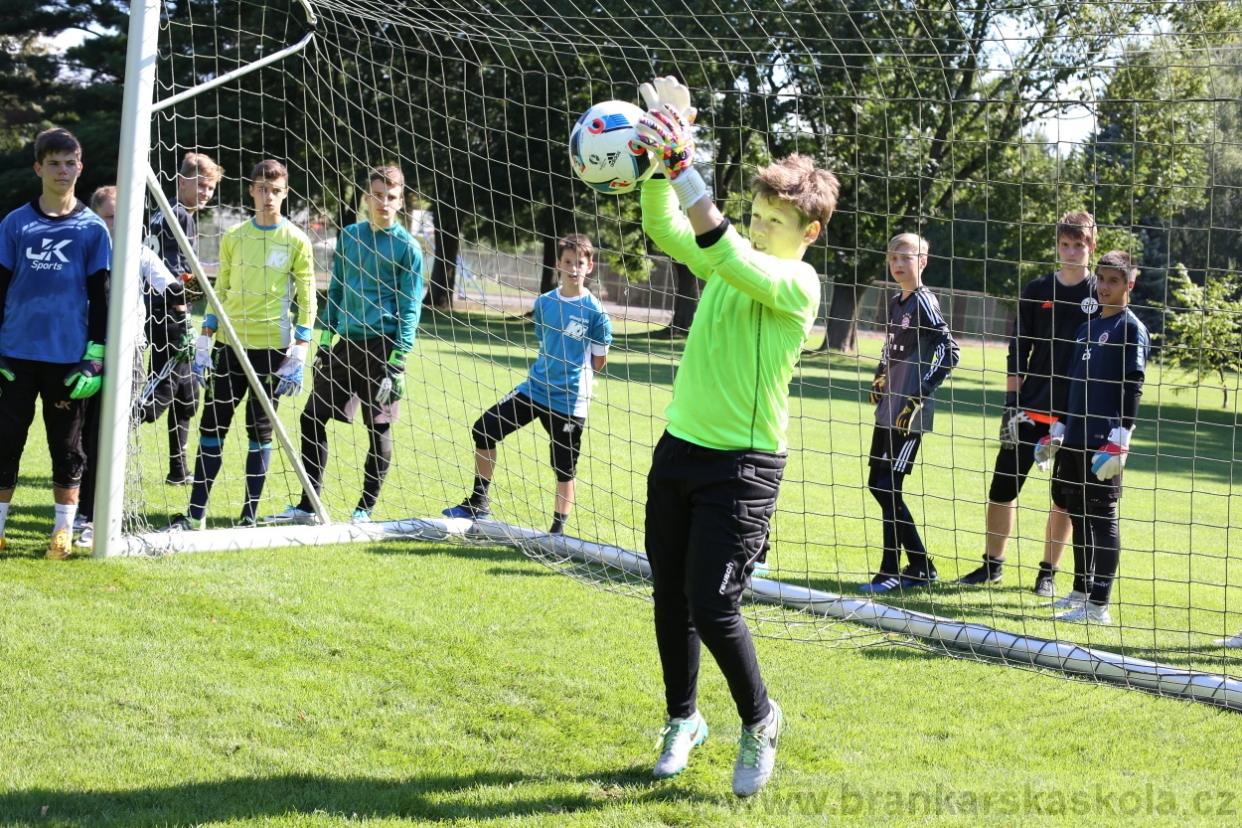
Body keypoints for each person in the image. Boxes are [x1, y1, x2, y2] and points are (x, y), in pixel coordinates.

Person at [633, 77, 837, 797]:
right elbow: (666, 227)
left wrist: (684, 158)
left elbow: (718, 244)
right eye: (754, 216)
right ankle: (682, 720)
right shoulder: (731, 259)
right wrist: (659, 162)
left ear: (809, 233)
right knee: (669, 596)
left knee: (714, 603)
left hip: (743, 469)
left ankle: (759, 718)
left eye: (774, 222)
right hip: (679, 449)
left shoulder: (796, 286)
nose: (757, 229)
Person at [263, 166, 423, 525]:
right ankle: (308, 506)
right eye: (378, 195)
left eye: (392, 197)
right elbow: (335, 290)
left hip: (384, 349)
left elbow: (411, 308)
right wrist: (324, 339)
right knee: (311, 417)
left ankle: (364, 510)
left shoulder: (408, 248)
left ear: (401, 201)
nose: (384, 202)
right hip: (344, 345)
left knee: (378, 428)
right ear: (367, 197)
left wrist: (399, 359)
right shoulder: (350, 236)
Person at [162, 159, 316, 531]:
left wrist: (299, 351)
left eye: (276, 191)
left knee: (260, 433)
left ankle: (247, 517)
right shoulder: (234, 236)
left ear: (285, 193)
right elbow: (222, 293)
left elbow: (308, 299)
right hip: (230, 348)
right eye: (262, 189)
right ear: (251, 190)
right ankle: (195, 515)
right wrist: (204, 338)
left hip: (273, 352)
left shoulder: (297, 239)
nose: (268, 197)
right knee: (212, 428)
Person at [957, 211, 1099, 596]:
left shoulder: (1099, 294)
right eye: (1064, 245)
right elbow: (1018, 350)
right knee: (1002, 489)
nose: (1071, 252)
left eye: (1079, 245)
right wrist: (1010, 404)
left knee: (1064, 499)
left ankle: (1047, 574)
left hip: (1074, 418)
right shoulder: (1037, 290)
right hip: (1029, 410)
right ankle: (992, 566)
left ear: (1092, 247)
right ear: (1057, 245)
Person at [442, 233, 611, 535]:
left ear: (590, 266)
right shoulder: (544, 303)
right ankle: (479, 502)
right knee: (484, 428)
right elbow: (545, 343)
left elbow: (599, 361)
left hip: (570, 400)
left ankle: (556, 533)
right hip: (534, 389)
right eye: (568, 261)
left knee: (563, 467)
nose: (573, 268)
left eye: (580, 263)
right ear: (559, 263)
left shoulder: (597, 312)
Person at [0, 127, 111, 559]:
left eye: (70, 163)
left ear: (79, 168)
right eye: (53, 163)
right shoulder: (14, 223)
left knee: (67, 448)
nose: (62, 170)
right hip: (15, 356)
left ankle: (62, 533)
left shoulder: (92, 229)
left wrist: (95, 356)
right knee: (6, 441)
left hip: (68, 360)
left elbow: (100, 297)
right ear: (38, 168)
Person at [1035, 251, 1148, 624]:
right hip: (1076, 438)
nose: (1103, 286)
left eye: (1113, 281)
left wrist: (1122, 437)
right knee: (1076, 511)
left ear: (1129, 285)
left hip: (1104, 441)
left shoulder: (1131, 329)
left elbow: (1133, 386)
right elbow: (1072, 385)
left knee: (1103, 518)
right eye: (1101, 278)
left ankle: (1099, 606)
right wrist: (1060, 427)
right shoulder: (1086, 327)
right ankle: (1082, 591)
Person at [74, 186, 181, 547]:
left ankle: (101, 515)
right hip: (83, 350)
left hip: (129, 352)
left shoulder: (141, 253)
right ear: (95, 217)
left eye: (125, 216)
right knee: (81, 431)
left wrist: (191, 291)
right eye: (110, 216)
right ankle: (80, 509)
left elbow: (174, 289)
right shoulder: (84, 249)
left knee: (113, 432)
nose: (118, 223)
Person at [858, 234, 960, 593]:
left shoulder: (924, 302)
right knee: (877, 484)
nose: (898, 264)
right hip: (888, 410)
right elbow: (889, 348)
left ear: (923, 261)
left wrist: (919, 394)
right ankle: (919, 565)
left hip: (908, 415)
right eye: (892, 258)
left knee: (888, 487)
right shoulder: (895, 301)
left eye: (906, 257)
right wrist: (879, 379)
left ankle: (890, 570)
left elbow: (951, 352)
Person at [141, 152, 223, 485]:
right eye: (200, 185)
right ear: (182, 182)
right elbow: (176, 274)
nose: (205, 193)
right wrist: (182, 312)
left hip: (161, 308)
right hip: (167, 313)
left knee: (187, 393)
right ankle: (111, 433)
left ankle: (179, 470)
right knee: (164, 386)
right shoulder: (180, 217)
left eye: (211, 187)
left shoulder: (164, 212)